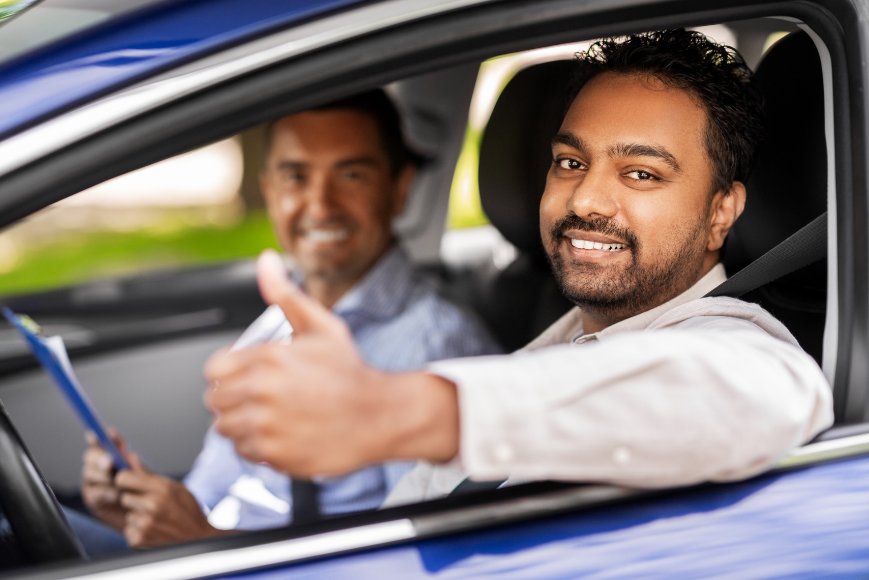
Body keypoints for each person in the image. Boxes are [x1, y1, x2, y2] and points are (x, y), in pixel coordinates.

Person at [202, 30, 833, 503]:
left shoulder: (740, 350)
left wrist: (395, 411)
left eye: (641, 174)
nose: (585, 199)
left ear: (722, 211)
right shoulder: (545, 355)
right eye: (569, 162)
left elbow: (748, 393)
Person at [80, 90, 501, 549]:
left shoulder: (437, 348)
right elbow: (209, 492)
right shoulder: (276, 323)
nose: (320, 206)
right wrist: (141, 512)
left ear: (399, 190)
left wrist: (204, 539)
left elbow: (415, 558)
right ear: (269, 190)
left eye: (351, 175)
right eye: (296, 176)